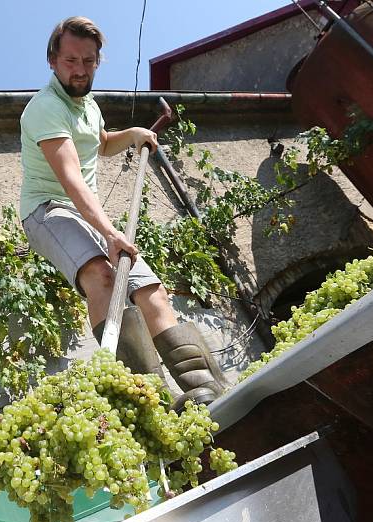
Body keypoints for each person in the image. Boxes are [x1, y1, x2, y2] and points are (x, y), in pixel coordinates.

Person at [19, 16, 227, 409]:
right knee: (102, 274)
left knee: (151, 290)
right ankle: (150, 400)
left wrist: (132, 135)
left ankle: (206, 391)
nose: (80, 70)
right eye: (70, 61)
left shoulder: (89, 107)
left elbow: (101, 144)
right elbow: (72, 181)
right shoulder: (44, 109)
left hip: (83, 213)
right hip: (48, 210)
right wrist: (112, 233)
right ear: (52, 60)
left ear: (98, 61)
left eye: (89, 61)